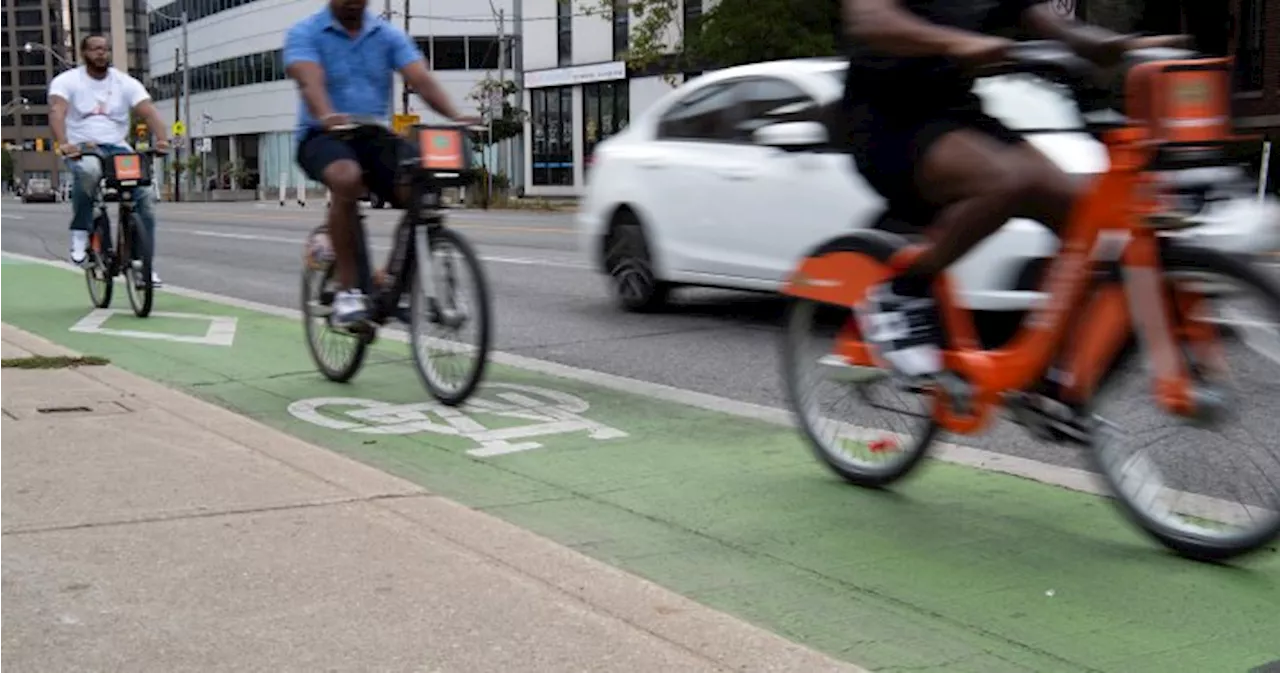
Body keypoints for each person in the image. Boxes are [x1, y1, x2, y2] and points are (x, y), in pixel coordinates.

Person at [840, 0, 1186, 378]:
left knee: (1088, 218)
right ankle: (903, 292)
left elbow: (1052, 21)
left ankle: (1053, 376)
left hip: (958, 115)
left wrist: (1111, 44)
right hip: (886, 124)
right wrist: (954, 42)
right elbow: (870, 19)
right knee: (1007, 180)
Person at [283, 0, 480, 328]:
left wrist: (456, 115)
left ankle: (389, 281)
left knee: (422, 185)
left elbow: (420, 78)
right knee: (346, 178)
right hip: (322, 135)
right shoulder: (306, 32)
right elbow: (309, 80)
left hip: (373, 136)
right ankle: (347, 292)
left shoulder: (386, 35)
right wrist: (326, 114)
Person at [50, 35, 170, 284]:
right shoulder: (67, 81)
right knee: (89, 172)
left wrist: (162, 139)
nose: (101, 54)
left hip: (118, 149)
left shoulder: (124, 83)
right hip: (82, 148)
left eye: (105, 49)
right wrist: (64, 143)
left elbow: (148, 111)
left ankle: (141, 265)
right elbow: (57, 112)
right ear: (84, 53)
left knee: (145, 197)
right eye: (95, 49)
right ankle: (80, 232)